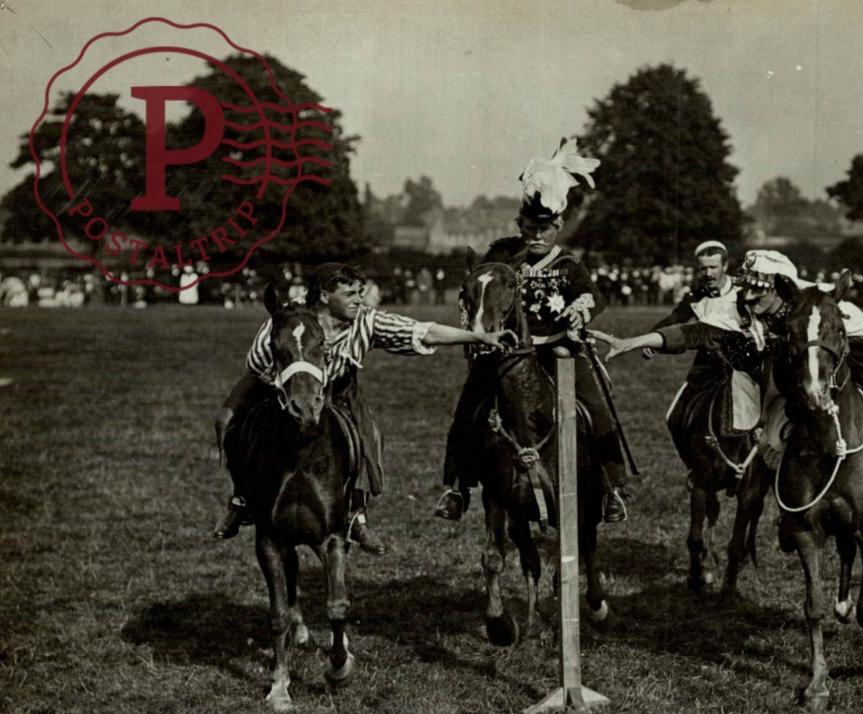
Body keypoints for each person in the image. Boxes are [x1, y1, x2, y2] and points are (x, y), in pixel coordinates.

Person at [213, 263, 513, 552]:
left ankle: (357, 516)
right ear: (323, 296)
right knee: (225, 420)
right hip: (275, 387)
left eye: (360, 292)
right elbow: (255, 363)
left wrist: (479, 336)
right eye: (351, 294)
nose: (360, 300)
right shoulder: (290, 317)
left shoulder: (366, 320)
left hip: (339, 392)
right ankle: (240, 500)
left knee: (368, 436)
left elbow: (423, 331)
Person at [602, 250, 863, 480]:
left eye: (758, 290)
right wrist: (634, 341)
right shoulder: (744, 310)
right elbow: (694, 333)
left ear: (781, 288)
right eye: (746, 288)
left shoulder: (822, 303)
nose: (749, 297)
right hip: (793, 378)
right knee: (774, 445)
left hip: (848, 353)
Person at [434, 138, 631, 523]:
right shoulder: (502, 253)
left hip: (560, 353)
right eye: (529, 227)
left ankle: (613, 488)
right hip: (503, 354)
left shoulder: (569, 265)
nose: (536, 236)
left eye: (544, 229)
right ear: (519, 224)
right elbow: (476, 283)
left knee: (598, 409)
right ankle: (456, 487)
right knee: (467, 411)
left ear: (557, 225)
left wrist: (579, 312)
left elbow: (593, 296)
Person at [638, 240, 756, 469]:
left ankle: (755, 470)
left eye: (713, 267)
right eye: (703, 268)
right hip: (707, 366)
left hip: (743, 364)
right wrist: (653, 338)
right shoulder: (694, 297)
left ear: (725, 266)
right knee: (673, 418)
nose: (708, 273)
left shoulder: (743, 292)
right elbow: (674, 320)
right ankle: (693, 467)